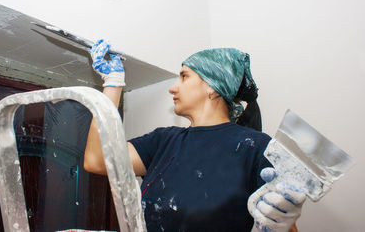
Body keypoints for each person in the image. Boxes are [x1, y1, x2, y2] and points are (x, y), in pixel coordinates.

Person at [84, 40, 306, 232]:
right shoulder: (163, 141)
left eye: (184, 76)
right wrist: (113, 84)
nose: (173, 88)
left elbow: (282, 219)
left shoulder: (257, 147)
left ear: (212, 88)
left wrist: (284, 224)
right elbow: (96, 160)